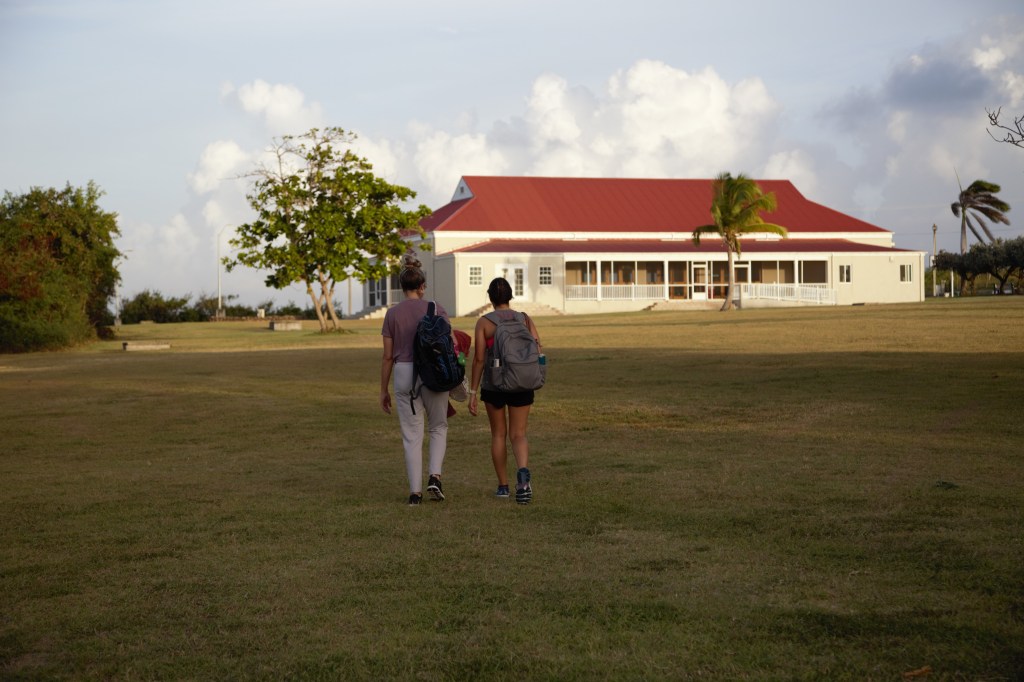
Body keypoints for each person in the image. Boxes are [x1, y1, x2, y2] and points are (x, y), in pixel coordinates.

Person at [380, 255, 452, 505]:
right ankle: (435, 475)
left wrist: (383, 390)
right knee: (438, 426)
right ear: (422, 287)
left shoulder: (392, 314)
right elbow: (448, 344)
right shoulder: (436, 308)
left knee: (411, 435)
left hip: (403, 373)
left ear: (402, 287)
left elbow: (387, 356)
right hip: (432, 372)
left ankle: (415, 493)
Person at [468, 277, 542, 504]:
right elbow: (537, 346)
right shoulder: (524, 319)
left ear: (490, 298)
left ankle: (503, 486)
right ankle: (523, 476)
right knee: (519, 434)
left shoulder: (485, 322)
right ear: (510, 296)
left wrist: (472, 391)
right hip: (522, 381)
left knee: (498, 434)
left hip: (495, 384)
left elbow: (480, 358)